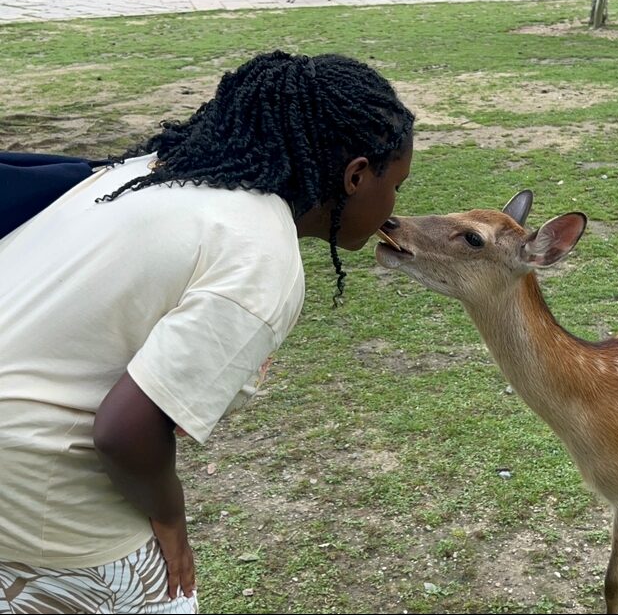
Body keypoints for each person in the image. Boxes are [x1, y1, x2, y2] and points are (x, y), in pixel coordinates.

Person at [0, 50, 415, 614]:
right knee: (166, 598)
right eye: (397, 185)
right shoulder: (260, 253)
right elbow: (125, 432)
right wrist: (171, 520)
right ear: (357, 175)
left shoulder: (150, 170)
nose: (394, 208)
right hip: (34, 485)